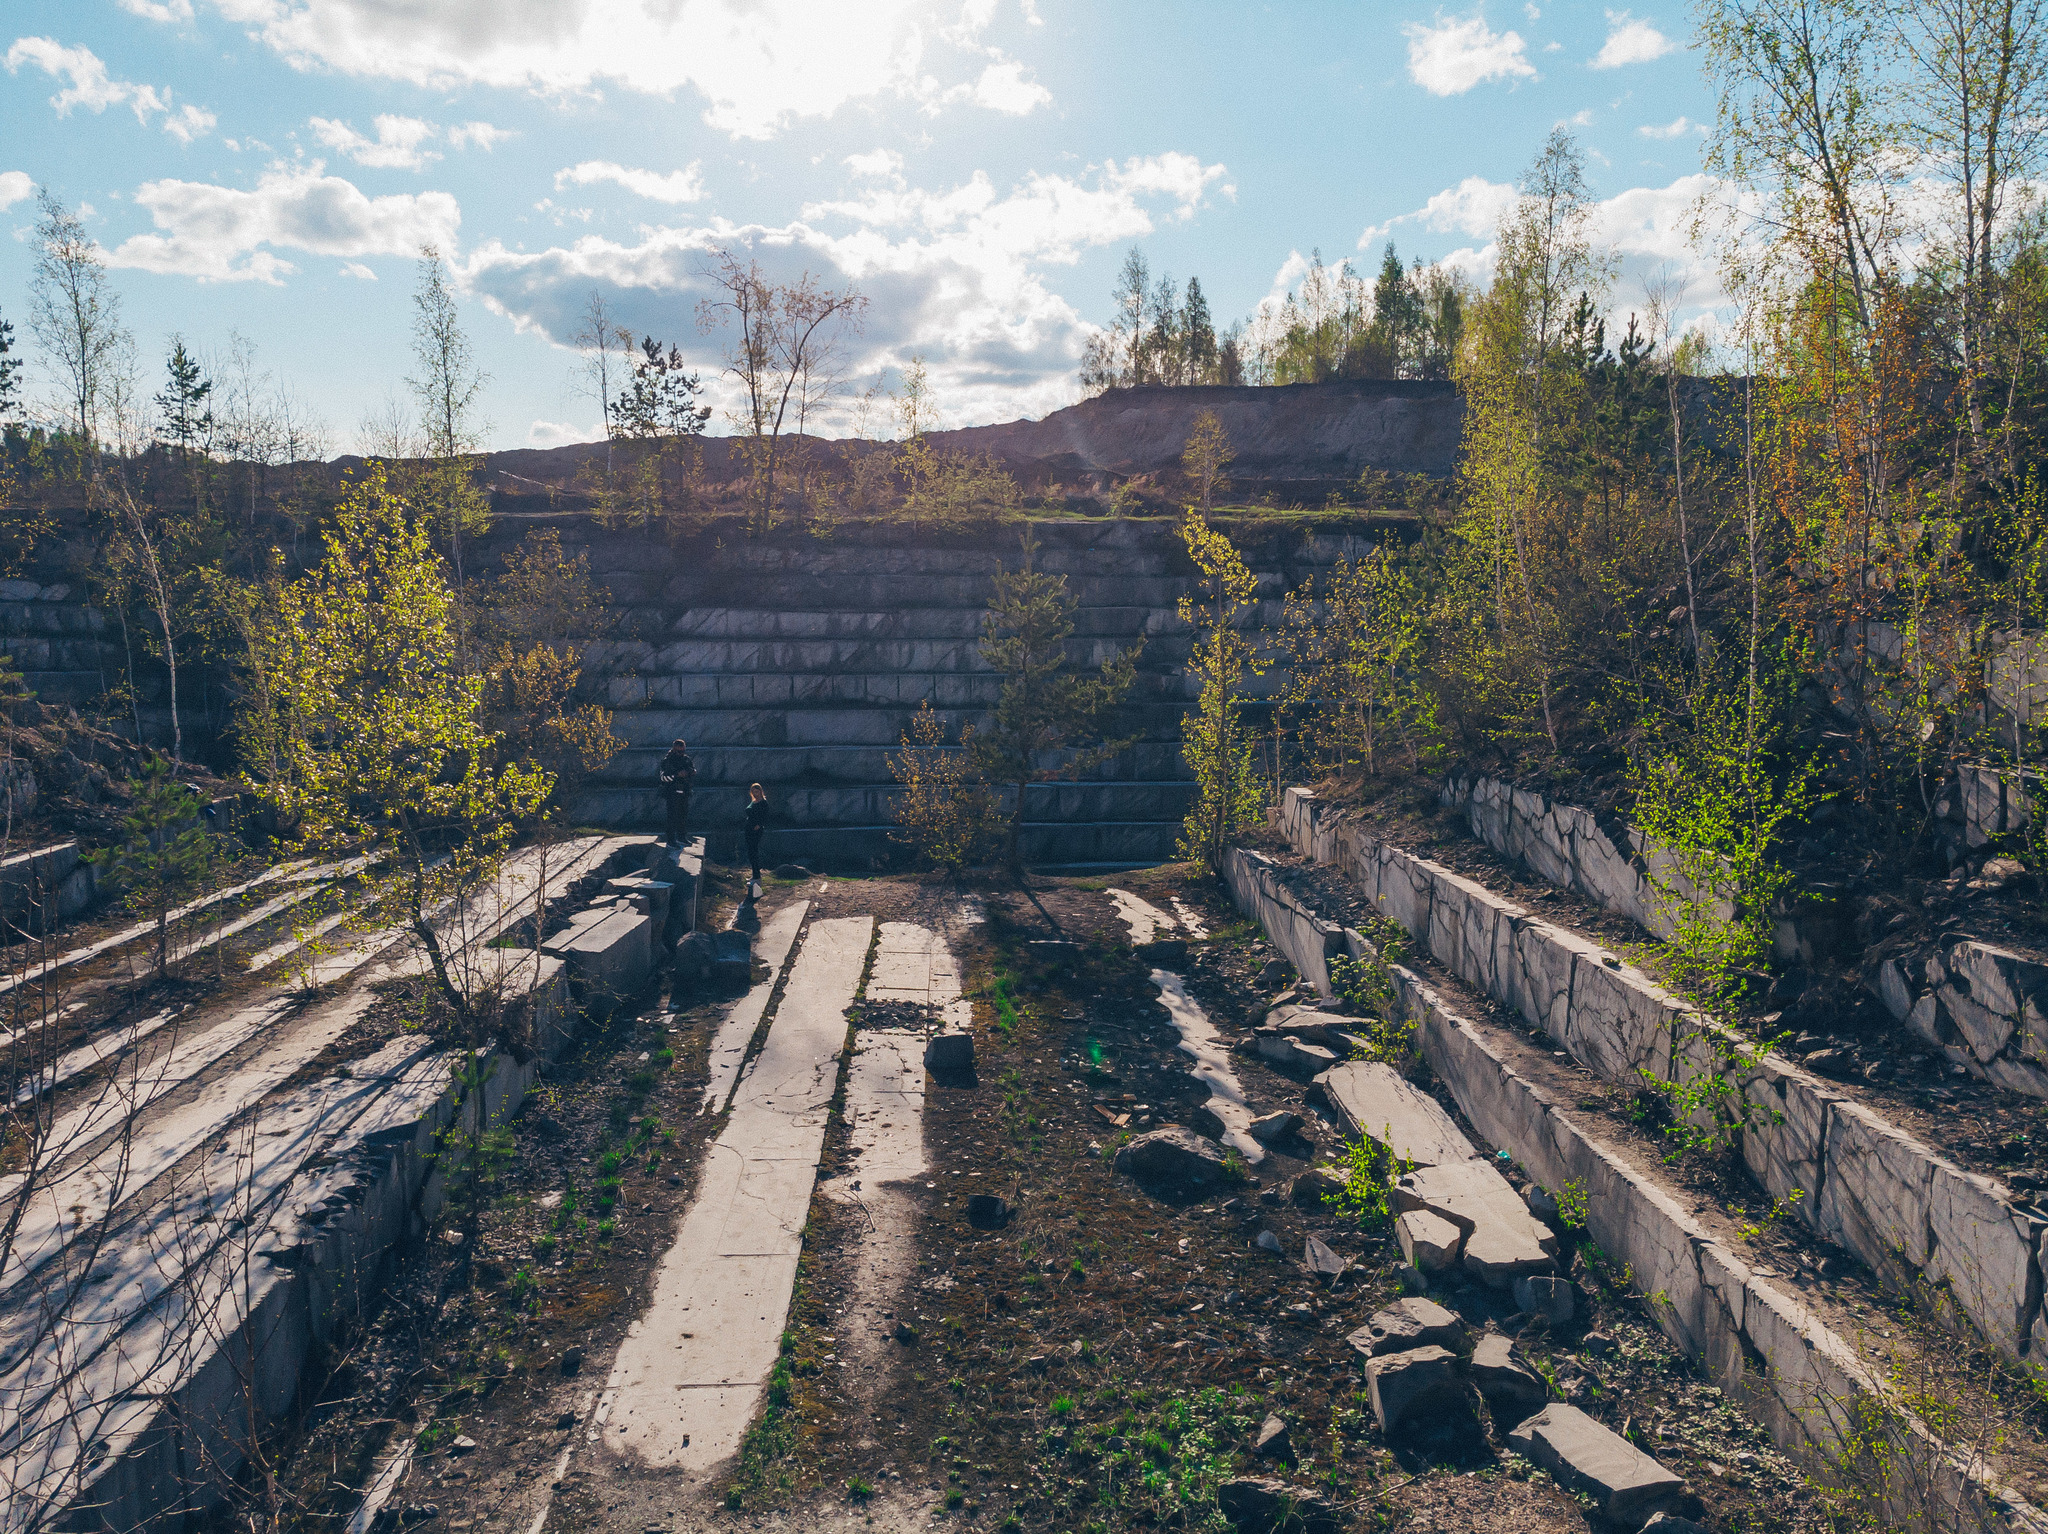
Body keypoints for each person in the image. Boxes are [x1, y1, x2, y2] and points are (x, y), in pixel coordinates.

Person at [657, 737, 696, 847]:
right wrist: (676, 775)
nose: (681, 753)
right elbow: (663, 777)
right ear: (674, 749)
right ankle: (671, 839)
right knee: (672, 817)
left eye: (683, 751)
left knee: (683, 815)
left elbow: (692, 769)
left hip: (684, 791)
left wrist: (690, 772)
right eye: (679, 751)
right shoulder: (667, 761)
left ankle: (682, 837)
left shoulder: (686, 759)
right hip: (672, 792)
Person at [743, 782, 769, 894]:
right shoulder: (753, 801)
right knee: (750, 852)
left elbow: (765, 815)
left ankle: (757, 876)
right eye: (754, 791)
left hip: (756, 829)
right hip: (749, 828)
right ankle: (754, 875)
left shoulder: (763, 802)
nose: (755, 793)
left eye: (757, 791)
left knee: (754, 851)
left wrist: (758, 824)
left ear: (760, 791)